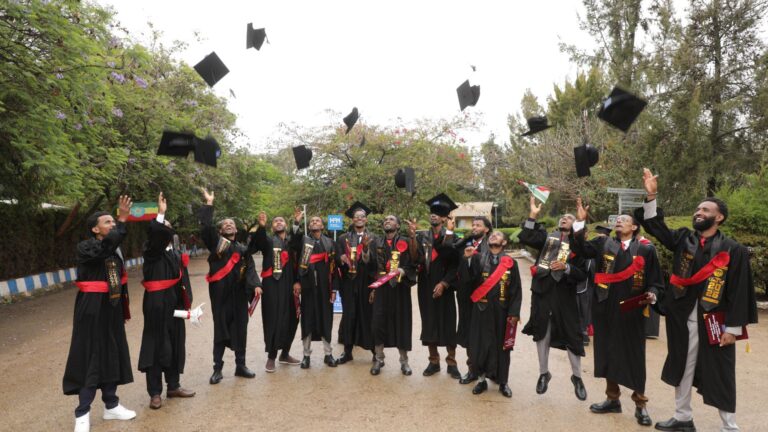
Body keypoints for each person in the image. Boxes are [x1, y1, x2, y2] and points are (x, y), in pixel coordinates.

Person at [636, 169, 757, 432]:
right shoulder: (683, 239)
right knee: (682, 365)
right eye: (698, 209)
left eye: (706, 209)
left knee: (721, 372)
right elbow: (656, 227)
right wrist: (651, 194)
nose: (699, 212)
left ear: (719, 217)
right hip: (682, 316)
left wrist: (733, 329)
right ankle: (682, 417)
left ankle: (729, 426)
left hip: (715, 321)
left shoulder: (732, 250)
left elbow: (739, 291)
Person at [572, 198, 664, 427]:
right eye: (617, 220)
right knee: (608, 353)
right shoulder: (603, 244)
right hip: (604, 307)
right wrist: (580, 224)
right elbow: (580, 250)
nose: (619, 222)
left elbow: (656, 281)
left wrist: (652, 294)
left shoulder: (645, 248)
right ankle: (612, 399)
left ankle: (640, 404)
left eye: (624, 220)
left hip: (632, 311)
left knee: (634, 357)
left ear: (634, 227)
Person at [63, 195, 136, 432]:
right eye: (108, 222)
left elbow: (117, 278)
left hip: (110, 307)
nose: (113, 225)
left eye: (113, 222)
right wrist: (123, 220)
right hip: (91, 307)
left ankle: (111, 405)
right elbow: (104, 249)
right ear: (95, 229)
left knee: (112, 351)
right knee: (90, 354)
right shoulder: (87, 247)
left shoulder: (114, 251)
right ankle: (82, 413)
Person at [519, 195, 588, 401]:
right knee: (542, 332)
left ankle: (577, 377)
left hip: (564, 295)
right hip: (543, 291)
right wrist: (532, 215)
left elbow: (583, 274)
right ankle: (543, 373)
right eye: (563, 218)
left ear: (576, 223)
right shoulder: (548, 238)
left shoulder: (580, 245)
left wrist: (567, 268)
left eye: (569, 217)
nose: (564, 219)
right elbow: (526, 238)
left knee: (571, 334)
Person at [138, 192, 196, 410]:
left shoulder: (174, 253)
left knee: (174, 343)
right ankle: (155, 392)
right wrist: (161, 215)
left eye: (169, 228)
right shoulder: (151, 251)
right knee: (156, 346)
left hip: (174, 305)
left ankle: (173, 386)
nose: (167, 232)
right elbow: (156, 235)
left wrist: (186, 304)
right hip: (156, 305)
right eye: (164, 229)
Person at [198, 188, 261, 384]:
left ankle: (240, 366)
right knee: (220, 330)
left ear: (236, 229)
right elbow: (206, 228)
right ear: (221, 230)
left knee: (240, 330)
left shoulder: (243, 249)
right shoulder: (217, 244)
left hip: (240, 295)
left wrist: (256, 285)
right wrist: (209, 204)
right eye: (225, 224)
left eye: (231, 224)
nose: (229, 225)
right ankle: (217, 369)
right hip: (220, 296)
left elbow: (250, 268)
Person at [459, 230, 522, 398]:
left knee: (503, 348)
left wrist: (514, 313)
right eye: (492, 234)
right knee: (479, 346)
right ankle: (481, 380)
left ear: (504, 243)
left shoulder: (510, 263)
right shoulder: (479, 258)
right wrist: (467, 260)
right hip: (481, 310)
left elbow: (516, 290)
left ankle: (503, 382)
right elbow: (468, 281)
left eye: (499, 234)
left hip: (502, 312)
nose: (494, 235)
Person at [249, 209, 303, 372]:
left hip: (290, 284)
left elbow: (298, 245)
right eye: (275, 221)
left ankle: (285, 353)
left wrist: (296, 223)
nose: (279, 222)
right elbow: (258, 242)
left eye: (281, 221)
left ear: (285, 225)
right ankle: (271, 356)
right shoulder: (268, 241)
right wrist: (261, 226)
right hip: (272, 284)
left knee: (293, 318)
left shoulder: (291, 241)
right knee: (273, 318)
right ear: (272, 227)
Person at [413, 195, 461, 379]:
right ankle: (433, 361)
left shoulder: (453, 237)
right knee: (429, 322)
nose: (434, 216)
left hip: (445, 285)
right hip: (425, 285)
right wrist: (411, 237)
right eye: (432, 212)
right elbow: (416, 259)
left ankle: (452, 363)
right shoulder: (421, 236)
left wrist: (444, 283)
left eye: (439, 213)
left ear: (445, 218)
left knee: (448, 323)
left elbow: (455, 264)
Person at [370, 215, 417, 376]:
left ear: (397, 225)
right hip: (382, 289)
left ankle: (404, 362)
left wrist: (402, 271)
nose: (387, 221)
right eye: (385, 220)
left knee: (402, 324)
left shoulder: (405, 241)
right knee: (378, 323)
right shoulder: (376, 242)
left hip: (400, 289)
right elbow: (369, 265)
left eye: (391, 219)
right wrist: (363, 255)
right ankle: (379, 359)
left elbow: (414, 262)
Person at [296, 215, 340, 368]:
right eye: (312, 221)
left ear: (322, 226)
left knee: (326, 320)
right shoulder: (303, 242)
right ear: (309, 227)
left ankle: (328, 354)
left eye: (318, 221)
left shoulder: (330, 243)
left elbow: (335, 269)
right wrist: (297, 223)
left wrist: (334, 289)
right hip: (307, 288)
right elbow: (297, 262)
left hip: (324, 289)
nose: (314, 222)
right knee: (307, 320)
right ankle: (306, 355)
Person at [335, 203, 376, 364]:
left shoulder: (373, 238)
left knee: (368, 315)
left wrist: (365, 250)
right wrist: (341, 259)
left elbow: (377, 262)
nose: (359, 219)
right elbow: (336, 259)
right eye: (356, 216)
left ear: (366, 220)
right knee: (349, 315)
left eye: (362, 216)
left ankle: (374, 351)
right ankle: (347, 352)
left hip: (367, 282)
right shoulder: (342, 238)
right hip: (349, 282)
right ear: (352, 220)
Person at [453, 216, 491, 384]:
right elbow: (451, 252)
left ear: (486, 229)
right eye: (473, 225)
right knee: (469, 333)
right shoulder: (465, 244)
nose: (474, 227)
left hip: (485, 296)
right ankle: (472, 370)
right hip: (466, 296)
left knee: (484, 334)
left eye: (478, 225)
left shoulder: (491, 245)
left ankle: (489, 370)